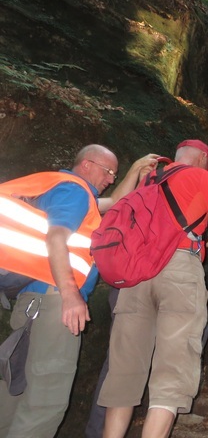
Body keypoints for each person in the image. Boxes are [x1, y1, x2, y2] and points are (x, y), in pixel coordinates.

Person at [98, 139, 208, 438]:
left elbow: (194, 232)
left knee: (124, 373)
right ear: (201, 159)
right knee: (171, 374)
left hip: (137, 275)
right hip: (178, 274)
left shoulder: (150, 180)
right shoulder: (200, 177)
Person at [0, 145, 159, 438]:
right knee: (47, 401)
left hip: (31, 302)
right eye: (108, 171)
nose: (111, 179)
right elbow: (56, 237)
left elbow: (114, 202)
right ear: (86, 165)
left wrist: (136, 171)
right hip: (55, 304)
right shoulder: (75, 192)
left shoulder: (57, 190)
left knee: (15, 390)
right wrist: (71, 294)